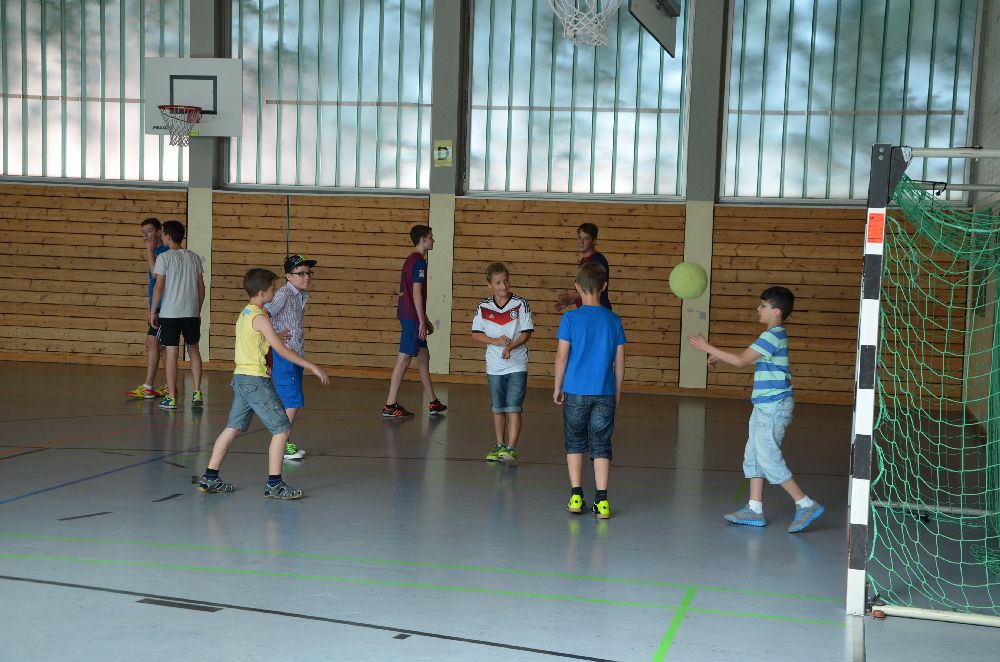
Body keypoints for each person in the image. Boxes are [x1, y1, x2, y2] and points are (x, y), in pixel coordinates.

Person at [688, 286, 824, 533]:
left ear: (776, 311)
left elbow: (741, 361)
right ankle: (754, 509)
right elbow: (750, 358)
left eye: (763, 305)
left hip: (774, 407)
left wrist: (707, 347)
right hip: (763, 406)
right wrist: (720, 355)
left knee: (768, 457)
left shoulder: (773, 335)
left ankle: (805, 504)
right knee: (753, 455)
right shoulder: (772, 336)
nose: (758, 309)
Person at [197, 268, 329, 499]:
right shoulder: (261, 318)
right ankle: (275, 484)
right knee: (282, 428)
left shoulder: (245, 314)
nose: (274, 293)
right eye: (272, 290)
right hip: (255, 381)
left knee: (233, 428)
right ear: (261, 293)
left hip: (240, 378)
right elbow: (281, 350)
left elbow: (259, 344)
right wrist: (312, 366)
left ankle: (210, 476)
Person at [553, 262, 626, 519]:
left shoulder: (570, 318)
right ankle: (602, 501)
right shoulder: (613, 319)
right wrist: (617, 391)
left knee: (575, 442)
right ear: (604, 286)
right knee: (601, 444)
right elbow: (620, 361)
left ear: (577, 287)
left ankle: (576, 496)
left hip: (575, 391)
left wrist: (557, 386)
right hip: (604, 392)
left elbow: (562, 356)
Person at [472, 262, 534, 465]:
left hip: (517, 364)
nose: (503, 286)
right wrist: (496, 341)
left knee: (513, 406)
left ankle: (511, 448)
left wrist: (510, 347)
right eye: (498, 282)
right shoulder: (483, 307)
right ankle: (499, 445)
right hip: (494, 366)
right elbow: (476, 334)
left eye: (506, 281)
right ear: (489, 284)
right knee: (498, 407)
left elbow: (526, 333)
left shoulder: (521, 304)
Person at [382, 225, 447, 418]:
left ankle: (433, 402)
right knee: (404, 359)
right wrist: (420, 321)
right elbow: (416, 293)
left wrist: (424, 319)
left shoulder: (411, 260)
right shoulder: (418, 262)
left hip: (412, 315)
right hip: (411, 317)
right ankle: (390, 404)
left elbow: (411, 294)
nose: (433, 240)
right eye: (431, 237)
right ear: (423, 239)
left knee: (423, 356)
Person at [265, 254, 318, 461]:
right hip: (284, 355)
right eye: (301, 273)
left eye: (308, 273)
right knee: (293, 401)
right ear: (288, 276)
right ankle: (282, 444)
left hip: (296, 354)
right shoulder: (283, 294)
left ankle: (283, 442)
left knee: (288, 401)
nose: (307, 277)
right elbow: (263, 313)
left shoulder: (301, 295)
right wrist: (273, 335)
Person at [149, 220, 204, 410]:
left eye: (163, 234)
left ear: (168, 236)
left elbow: (158, 287)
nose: (162, 237)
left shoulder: (164, 258)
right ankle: (197, 392)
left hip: (170, 314)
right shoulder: (194, 257)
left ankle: (171, 397)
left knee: (171, 354)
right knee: (194, 350)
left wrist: (153, 311)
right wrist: (197, 310)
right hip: (191, 313)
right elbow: (201, 288)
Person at [127, 217, 170, 399]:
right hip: (157, 307)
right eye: (143, 233)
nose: (146, 236)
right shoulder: (156, 252)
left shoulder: (164, 252)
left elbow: (155, 275)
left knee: (153, 343)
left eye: (150, 231)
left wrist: (149, 250)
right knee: (161, 346)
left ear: (160, 232)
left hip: (164, 307)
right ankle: (168, 386)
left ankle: (149, 387)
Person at [554, 222, 612, 311]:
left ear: (594, 241)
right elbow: (584, 292)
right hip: (589, 311)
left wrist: (570, 296)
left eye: (586, 238)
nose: (581, 241)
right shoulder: (585, 260)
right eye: (579, 237)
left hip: (597, 313)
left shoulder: (597, 261)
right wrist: (570, 301)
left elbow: (591, 290)